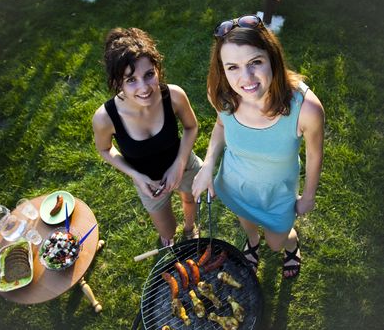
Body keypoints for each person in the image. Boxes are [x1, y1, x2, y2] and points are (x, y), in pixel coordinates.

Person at [192, 15, 324, 278]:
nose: (246, 78)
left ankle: (291, 244)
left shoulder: (306, 109)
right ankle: (252, 243)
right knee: (247, 223)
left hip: (277, 194)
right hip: (235, 182)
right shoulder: (221, 93)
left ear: (272, 58)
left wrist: (308, 197)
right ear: (222, 69)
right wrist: (208, 164)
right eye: (232, 67)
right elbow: (221, 126)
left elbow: (314, 155)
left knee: (276, 243)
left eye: (255, 62)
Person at [93, 27, 202, 247]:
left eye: (149, 74)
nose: (144, 88)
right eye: (131, 80)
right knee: (167, 230)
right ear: (117, 82)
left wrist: (179, 164)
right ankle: (169, 237)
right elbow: (104, 149)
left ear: (158, 69)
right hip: (149, 184)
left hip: (185, 164)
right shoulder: (105, 118)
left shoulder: (174, 96)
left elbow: (191, 127)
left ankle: (191, 229)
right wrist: (136, 175)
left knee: (191, 201)